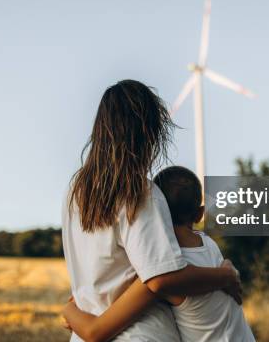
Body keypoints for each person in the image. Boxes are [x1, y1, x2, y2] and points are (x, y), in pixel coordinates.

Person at [62, 80, 242, 342]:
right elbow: (161, 277)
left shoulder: (74, 192)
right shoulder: (140, 192)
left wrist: (71, 311)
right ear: (148, 132)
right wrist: (224, 275)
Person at [63, 165, 255, 342]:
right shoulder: (209, 244)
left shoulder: (167, 274)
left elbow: (97, 329)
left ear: (155, 210)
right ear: (199, 214)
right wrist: (229, 272)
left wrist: (70, 309)